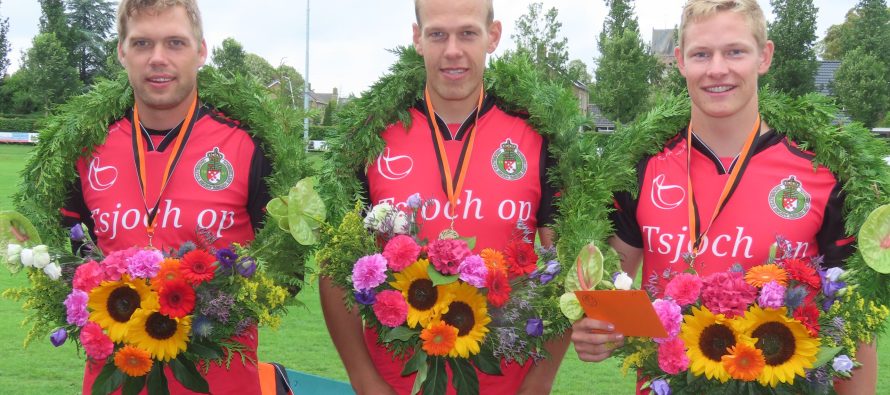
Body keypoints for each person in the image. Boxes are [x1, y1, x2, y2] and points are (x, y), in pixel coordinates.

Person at [570, 0, 878, 393]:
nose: (717, 69)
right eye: (701, 54)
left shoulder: (822, 174)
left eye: (735, 51)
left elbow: (855, 328)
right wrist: (595, 330)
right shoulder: (640, 168)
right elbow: (612, 290)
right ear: (680, 60)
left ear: (764, 57)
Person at [318, 0, 569, 393]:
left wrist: (537, 385)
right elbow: (334, 269)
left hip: (507, 384)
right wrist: (365, 380)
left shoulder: (539, 135)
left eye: (467, 33)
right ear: (417, 39)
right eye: (438, 34)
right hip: (395, 383)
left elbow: (567, 275)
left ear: (493, 36)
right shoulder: (370, 136)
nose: (453, 50)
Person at [58, 0, 271, 393]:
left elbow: (283, 271)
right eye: (141, 44)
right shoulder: (86, 148)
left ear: (201, 50)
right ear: (122, 52)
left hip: (222, 382)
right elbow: (66, 258)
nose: (158, 58)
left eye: (175, 43)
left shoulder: (248, 146)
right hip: (117, 379)